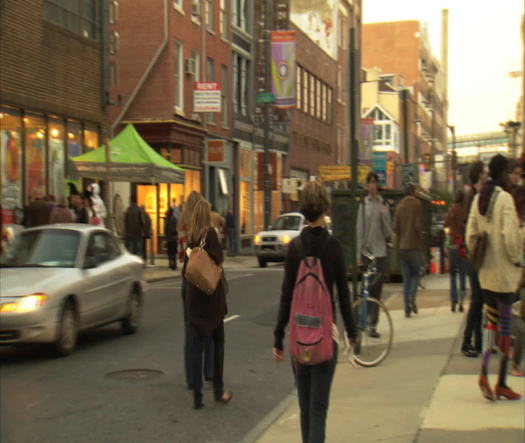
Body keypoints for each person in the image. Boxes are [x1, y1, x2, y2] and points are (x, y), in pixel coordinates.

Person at [273, 181, 357, 443]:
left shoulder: (295, 248)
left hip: (299, 338)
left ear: (303, 210)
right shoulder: (333, 248)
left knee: (305, 411)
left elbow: (287, 296)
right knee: (319, 412)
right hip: (325, 337)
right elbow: (343, 296)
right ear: (325, 208)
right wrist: (352, 334)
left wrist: (278, 337)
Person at [466, 153, 522, 401]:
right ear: (503, 173)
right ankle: (501, 383)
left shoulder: (480, 198)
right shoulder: (506, 200)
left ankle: (483, 374)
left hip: (486, 275)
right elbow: (510, 237)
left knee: (490, 324)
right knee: (507, 327)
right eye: (511, 171)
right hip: (505, 276)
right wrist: (517, 258)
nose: (513, 176)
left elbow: (470, 236)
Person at [183, 199, 231, 409]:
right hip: (211, 300)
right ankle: (219, 391)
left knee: (195, 345)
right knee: (218, 342)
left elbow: (187, 268)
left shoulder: (191, 238)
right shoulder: (210, 234)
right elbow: (219, 260)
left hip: (194, 299)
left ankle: (197, 396)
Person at [177, 191, 214, 390]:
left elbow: (180, 254)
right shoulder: (207, 229)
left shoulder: (182, 225)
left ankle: (192, 379)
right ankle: (209, 371)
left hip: (188, 281)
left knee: (191, 332)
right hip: (205, 282)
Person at [356, 172, 393, 338]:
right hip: (366, 252)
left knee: (376, 291)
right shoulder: (363, 205)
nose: (372, 186)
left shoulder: (383, 204)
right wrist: (358, 254)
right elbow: (359, 231)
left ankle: (372, 324)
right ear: (366, 185)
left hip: (379, 253)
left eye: (374, 183)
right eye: (369, 183)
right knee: (366, 289)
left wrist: (385, 214)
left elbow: (387, 230)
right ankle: (363, 321)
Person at [461, 161, 487, 358]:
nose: (486, 175)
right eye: (484, 172)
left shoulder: (474, 196)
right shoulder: (475, 197)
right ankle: (468, 340)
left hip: (474, 255)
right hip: (474, 255)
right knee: (477, 299)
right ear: (479, 175)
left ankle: (477, 341)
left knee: (479, 299)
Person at [394, 183, 424, 318]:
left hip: (402, 247)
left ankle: (407, 310)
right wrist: (419, 236)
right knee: (417, 274)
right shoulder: (417, 205)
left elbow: (395, 228)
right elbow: (418, 225)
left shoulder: (399, 207)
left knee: (406, 279)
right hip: (414, 246)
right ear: (413, 192)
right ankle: (412, 295)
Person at [444, 190, 468, 313]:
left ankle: (453, 300)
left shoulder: (451, 210)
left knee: (452, 274)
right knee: (462, 274)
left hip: (452, 244)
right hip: (462, 245)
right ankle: (462, 301)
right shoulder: (465, 211)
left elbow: (446, 224)